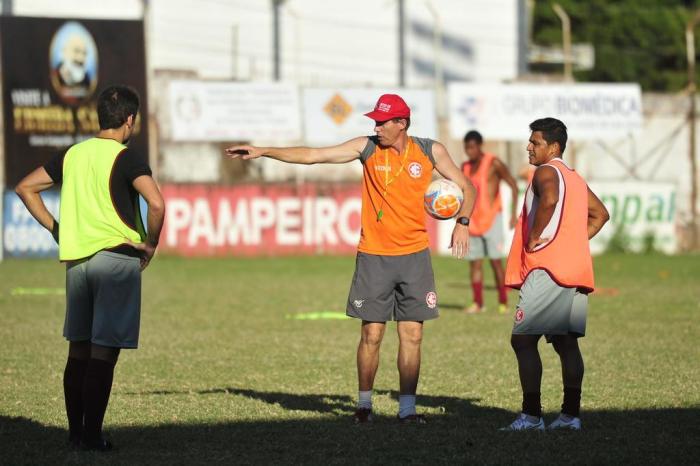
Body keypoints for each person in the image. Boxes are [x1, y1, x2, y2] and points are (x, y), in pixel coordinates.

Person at [226, 94, 476, 424]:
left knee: (412, 336)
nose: (376, 126)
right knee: (371, 335)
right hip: (374, 256)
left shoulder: (431, 151)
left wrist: (463, 222)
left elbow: (467, 187)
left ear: (401, 123)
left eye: (382, 121)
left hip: (415, 256)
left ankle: (407, 410)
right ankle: (364, 405)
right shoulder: (367, 147)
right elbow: (313, 156)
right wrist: (264, 150)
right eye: (375, 120)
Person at [15, 85, 165, 450]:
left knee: (78, 350)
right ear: (129, 121)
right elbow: (157, 203)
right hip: (115, 261)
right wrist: (150, 244)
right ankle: (93, 436)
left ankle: (75, 434)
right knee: (104, 353)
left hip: (77, 263)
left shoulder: (72, 155)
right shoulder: (126, 157)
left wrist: (57, 230)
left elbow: (25, 188)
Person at [501, 118, 609, 431]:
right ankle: (570, 416)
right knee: (566, 343)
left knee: (522, 341)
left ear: (554, 146)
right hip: (574, 271)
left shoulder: (545, 172)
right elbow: (601, 214)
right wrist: (572, 243)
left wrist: (535, 236)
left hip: (548, 270)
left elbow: (548, 200)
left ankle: (532, 416)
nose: (528, 147)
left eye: (535, 142)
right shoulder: (574, 177)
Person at [460, 130, 519, 315]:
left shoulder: (494, 163)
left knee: (495, 262)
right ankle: (478, 303)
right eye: (466, 148)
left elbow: (513, 185)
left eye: (472, 147)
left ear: (479, 146)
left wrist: (512, 214)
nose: (469, 151)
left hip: (493, 219)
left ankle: (503, 302)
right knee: (474, 264)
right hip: (473, 221)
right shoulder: (465, 167)